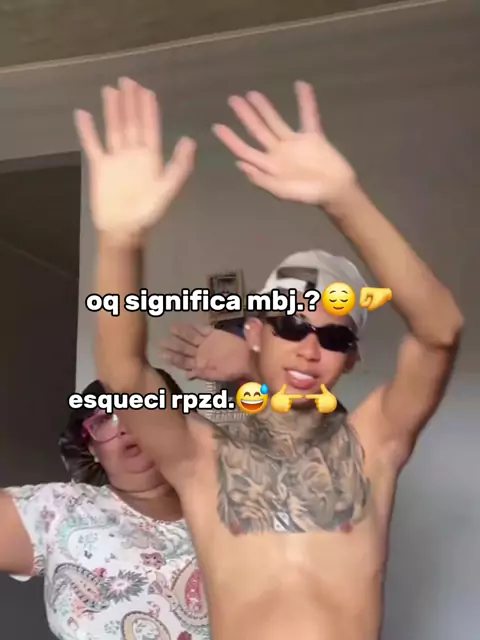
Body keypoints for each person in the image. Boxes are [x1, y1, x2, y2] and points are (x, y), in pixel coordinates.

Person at [75, 77, 463, 640]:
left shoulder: (374, 444)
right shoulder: (200, 458)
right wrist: (119, 239)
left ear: (351, 359)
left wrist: (344, 199)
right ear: (256, 332)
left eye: (335, 338)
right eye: (291, 324)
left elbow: (440, 331)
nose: (310, 347)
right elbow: (123, 374)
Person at [0, 376, 209, 640]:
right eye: (103, 420)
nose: (124, 426)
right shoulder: (59, 508)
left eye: (142, 407)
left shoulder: (234, 510)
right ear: (92, 449)